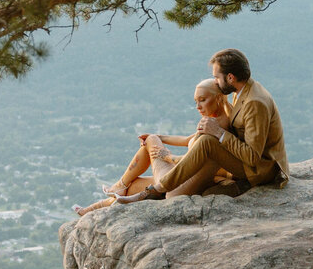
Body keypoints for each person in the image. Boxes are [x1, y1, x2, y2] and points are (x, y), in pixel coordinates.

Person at [117, 48, 287, 203]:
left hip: (260, 170)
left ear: (230, 77)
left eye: (216, 78)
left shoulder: (254, 103)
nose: (215, 82)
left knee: (207, 141)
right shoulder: (243, 90)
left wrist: (219, 133)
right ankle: (148, 187)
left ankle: (156, 189)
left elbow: (252, 157)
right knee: (206, 141)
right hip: (247, 163)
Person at [73, 79, 232, 215]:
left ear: (218, 98)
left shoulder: (217, 127)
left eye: (203, 100)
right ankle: (94, 208)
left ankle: (119, 185)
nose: (198, 106)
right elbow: (188, 140)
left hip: (178, 185)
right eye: (196, 101)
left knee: (151, 140)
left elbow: (193, 161)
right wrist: (161, 137)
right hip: (179, 180)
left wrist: (166, 155)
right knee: (134, 185)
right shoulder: (214, 121)